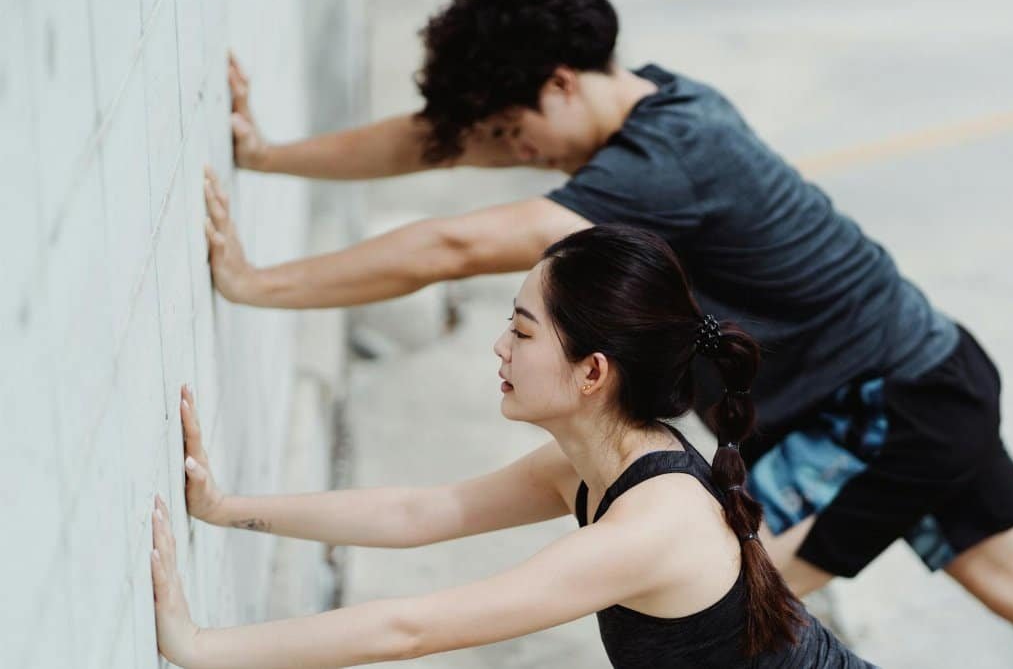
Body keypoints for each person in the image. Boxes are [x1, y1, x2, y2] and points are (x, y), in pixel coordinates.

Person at [200, 0, 1013, 666]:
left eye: (509, 133)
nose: (505, 156)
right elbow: (433, 137)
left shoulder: (668, 162)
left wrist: (251, 283)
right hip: (922, 380)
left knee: (725, 617)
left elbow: (458, 244)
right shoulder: (657, 105)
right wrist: (273, 157)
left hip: (893, 411)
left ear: (560, 85)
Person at [150, 226, 875, 668]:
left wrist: (199, 646)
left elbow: (413, 629)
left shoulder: (651, 525)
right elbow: (420, 512)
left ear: (594, 371)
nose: (500, 346)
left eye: (523, 331)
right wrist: (226, 507)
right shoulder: (601, 462)